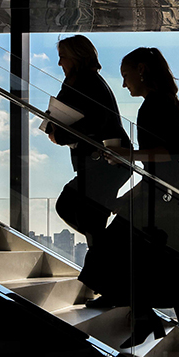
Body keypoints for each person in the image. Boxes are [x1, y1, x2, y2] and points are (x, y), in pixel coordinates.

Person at [95, 46, 179, 357]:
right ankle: (169, 334)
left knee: (122, 252)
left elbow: (175, 150)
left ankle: (157, 325)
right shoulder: (158, 103)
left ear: (142, 70)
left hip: (167, 196)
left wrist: (128, 154)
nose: (123, 83)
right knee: (170, 273)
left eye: (126, 74)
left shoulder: (156, 104)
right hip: (166, 193)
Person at [47, 35, 130, 302]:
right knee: (93, 226)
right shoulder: (82, 81)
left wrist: (58, 134)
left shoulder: (85, 82)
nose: (59, 62)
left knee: (71, 209)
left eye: (63, 56)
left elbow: (89, 124)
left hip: (104, 162)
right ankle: (113, 288)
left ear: (76, 57)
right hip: (101, 163)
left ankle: (112, 286)